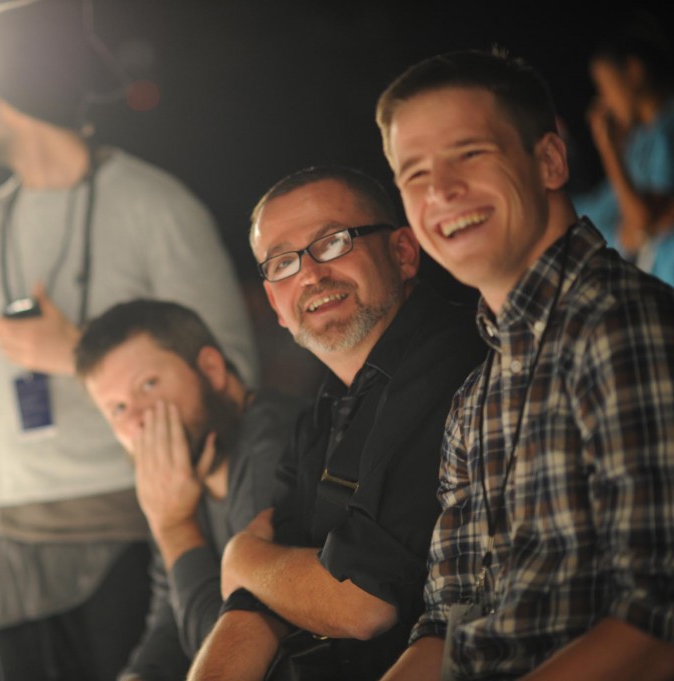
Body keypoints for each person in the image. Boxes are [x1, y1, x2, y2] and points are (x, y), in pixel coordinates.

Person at [0, 1, 259, 679]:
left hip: (133, 527)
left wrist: (74, 353)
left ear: (13, 87)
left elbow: (232, 375)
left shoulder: (155, 205)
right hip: (11, 544)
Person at [376, 47, 674, 680]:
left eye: (470, 153)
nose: (442, 191)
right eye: (414, 174)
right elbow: (444, 625)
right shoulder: (475, 398)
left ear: (549, 160)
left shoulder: (623, 325)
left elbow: (659, 621)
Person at [186, 165, 486, 681]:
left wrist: (242, 557)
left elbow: (361, 603)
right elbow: (259, 597)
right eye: (281, 261)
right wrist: (255, 564)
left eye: (332, 242)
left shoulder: (455, 361)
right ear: (276, 309)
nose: (310, 274)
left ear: (403, 253)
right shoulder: (322, 412)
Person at [73, 299, 307, 681]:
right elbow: (172, 616)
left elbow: (238, 653)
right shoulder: (186, 464)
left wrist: (175, 527)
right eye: (117, 409)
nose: (137, 422)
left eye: (149, 385)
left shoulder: (273, 448)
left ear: (211, 369)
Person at [571, 10, 674, 285]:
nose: (603, 100)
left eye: (605, 85)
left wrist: (607, 148)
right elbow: (614, 215)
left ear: (634, 71)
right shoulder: (642, 139)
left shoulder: (666, 132)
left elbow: (641, 220)